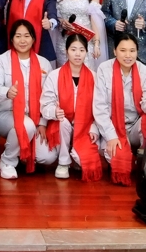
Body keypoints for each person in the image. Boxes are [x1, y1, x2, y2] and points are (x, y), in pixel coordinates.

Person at [0, 19, 56, 180]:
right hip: (4, 114)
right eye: (18, 36)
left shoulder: (44, 63)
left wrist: (43, 123)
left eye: (27, 36)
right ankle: (7, 161)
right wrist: (6, 92)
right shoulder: (1, 61)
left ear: (33, 38)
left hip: (35, 118)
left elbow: (50, 97)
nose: (22, 40)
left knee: (48, 157)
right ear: (12, 39)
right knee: (26, 125)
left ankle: (20, 150)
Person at [94, 33, 146, 184]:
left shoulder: (144, 71)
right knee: (116, 156)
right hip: (113, 125)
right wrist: (111, 136)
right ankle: (127, 159)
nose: (128, 55)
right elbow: (99, 107)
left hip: (135, 124)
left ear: (137, 52)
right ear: (115, 51)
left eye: (132, 50)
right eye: (123, 50)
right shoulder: (104, 69)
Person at [42, 32, 102, 181]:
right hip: (61, 124)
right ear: (66, 51)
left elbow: (101, 107)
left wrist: (94, 127)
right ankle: (63, 162)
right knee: (62, 122)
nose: (77, 54)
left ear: (86, 52)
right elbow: (45, 104)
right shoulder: (55, 75)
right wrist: (54, 112)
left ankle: (75, 154)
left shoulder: (94, 77)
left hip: (85, 126)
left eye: (81, 50)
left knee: (84, 162)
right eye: (73, 49)